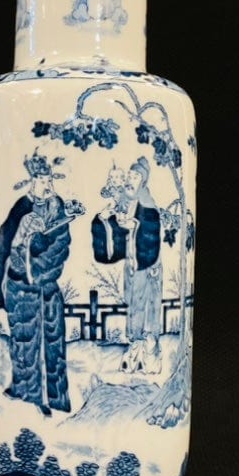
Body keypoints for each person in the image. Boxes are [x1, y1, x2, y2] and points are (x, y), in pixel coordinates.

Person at [0, 152, 72, 416]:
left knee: (51, 343)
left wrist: (38, 262)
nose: (47, 186)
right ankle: (25, 391)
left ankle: (53, 398)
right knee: (23, 340)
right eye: (41, 180)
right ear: (32, 181)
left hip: (46, 287)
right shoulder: (21, 208)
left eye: (49, 180)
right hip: (20, 286)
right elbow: (3, 243)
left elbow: (61, 247)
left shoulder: (57, 208)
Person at [91, 156, 162, 372]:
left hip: (147, 266)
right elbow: (115, 236)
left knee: (144, 305)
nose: (130, 180)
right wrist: (103, 219)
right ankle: (133, 348)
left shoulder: (148, 206)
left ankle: (149, 353)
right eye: (129, 175)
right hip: (131, 265)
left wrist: (136, 226)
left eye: (136, 176)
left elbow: (151, 233)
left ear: (143, 181)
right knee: (131, 302)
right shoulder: (125, 204)